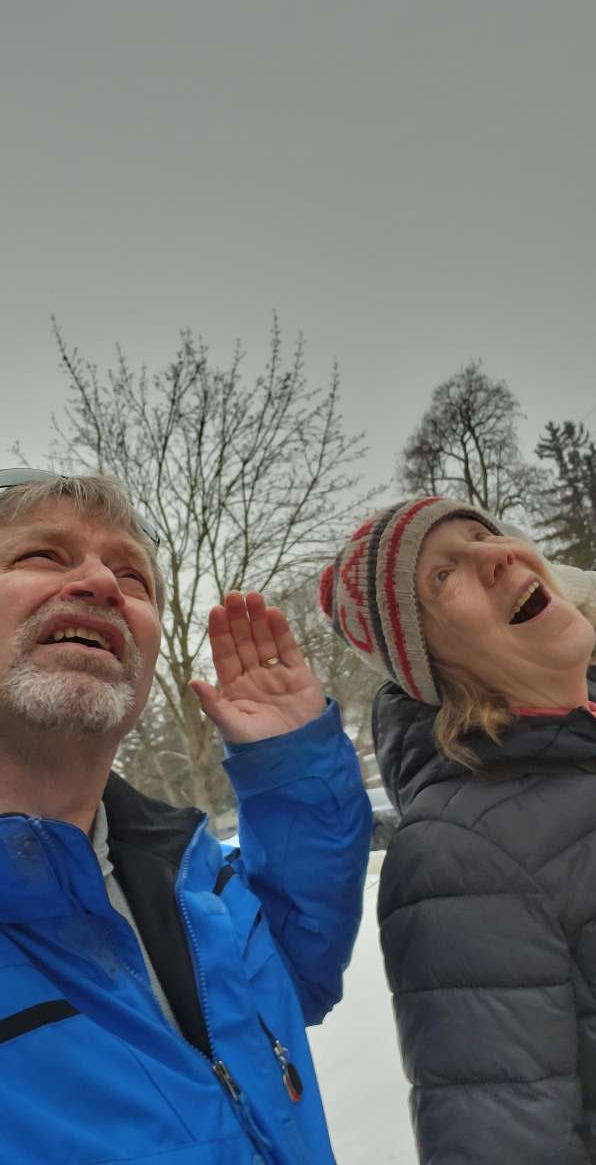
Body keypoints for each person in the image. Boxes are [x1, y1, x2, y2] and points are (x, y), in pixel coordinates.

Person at [0, 468, 372, 1165]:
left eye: (131, 577)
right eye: (41, 555)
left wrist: (291, 767)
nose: (103, 585)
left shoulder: (198, 877)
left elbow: (296, 982)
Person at [320, 494, 596, 1165]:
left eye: (487, 536)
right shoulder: (455, 855)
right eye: (441, 576)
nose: (495, 555)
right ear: (426, 666)